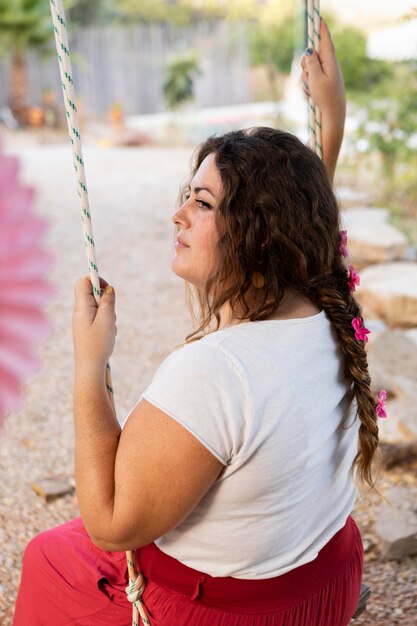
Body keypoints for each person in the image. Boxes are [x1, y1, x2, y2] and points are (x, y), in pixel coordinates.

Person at [13, 19, 379, 626]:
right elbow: (310, 207)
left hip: (232, 615)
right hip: (321, 587)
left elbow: (110, 525)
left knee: (49, 555)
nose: (178, 214)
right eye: (190, 193)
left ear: (259, 234)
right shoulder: (325, 295)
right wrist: (332, 116)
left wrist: (89, 364)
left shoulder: (216, 372)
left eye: (203, 203)